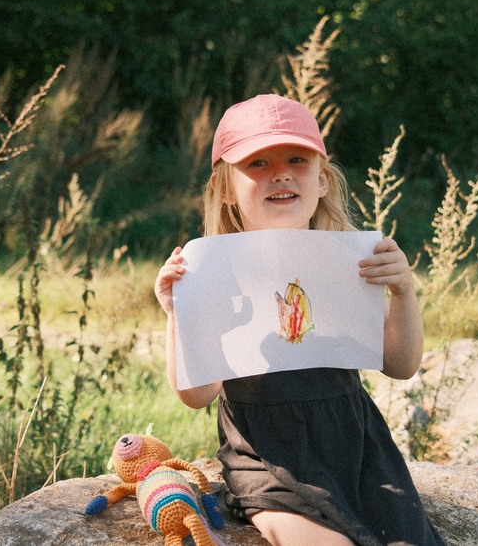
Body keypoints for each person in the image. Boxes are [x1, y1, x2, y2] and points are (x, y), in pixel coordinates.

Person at [154, 94, 445, 546]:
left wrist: (404, 291)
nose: (281, 173)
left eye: (296, 159)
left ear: (323, 180)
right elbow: (196, 395)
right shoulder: (212, 270)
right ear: (227, 188)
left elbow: (401, 365)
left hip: (358, 448)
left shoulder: (350, 260)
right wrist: (179, 314)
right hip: (267, 460)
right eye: (257, 164)